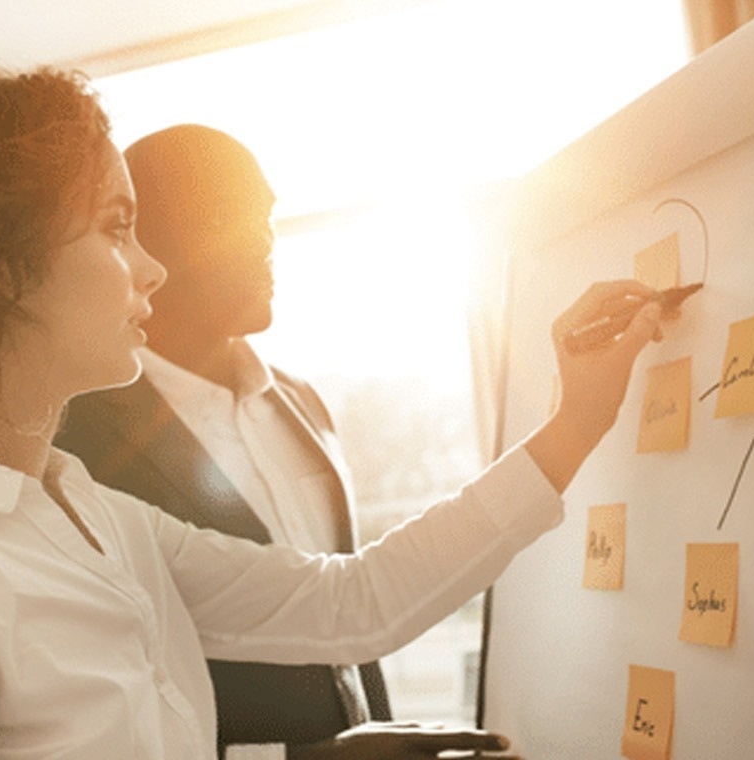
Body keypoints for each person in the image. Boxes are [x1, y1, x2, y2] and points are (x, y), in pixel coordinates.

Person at [0, 64, 663, 760]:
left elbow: (350, 602)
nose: (154, 269)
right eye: (115, 227)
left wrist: (574, 419)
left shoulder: (97, 521)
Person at [54, 123, 479, 760]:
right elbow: (98, 705)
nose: (265, 241)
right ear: (149, 236)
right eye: (234, 216)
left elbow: (350, 604)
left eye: (268, 216)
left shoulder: (304, 404)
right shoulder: (77, 441)